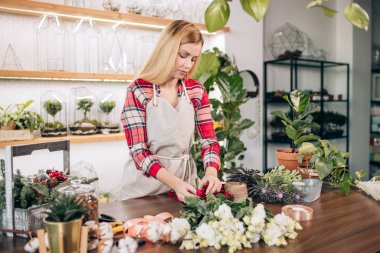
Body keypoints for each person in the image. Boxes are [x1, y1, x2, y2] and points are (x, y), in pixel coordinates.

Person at [119, 20, 221, 202]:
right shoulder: (139, 90)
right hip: (142, 192)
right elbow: (139, 152)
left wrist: (211, 172)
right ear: (167, 49)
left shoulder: (196, 91)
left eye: (193, 59)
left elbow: (209, 141)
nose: (188, 65)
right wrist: (175, 183)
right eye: (183, 55)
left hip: (184, 188)